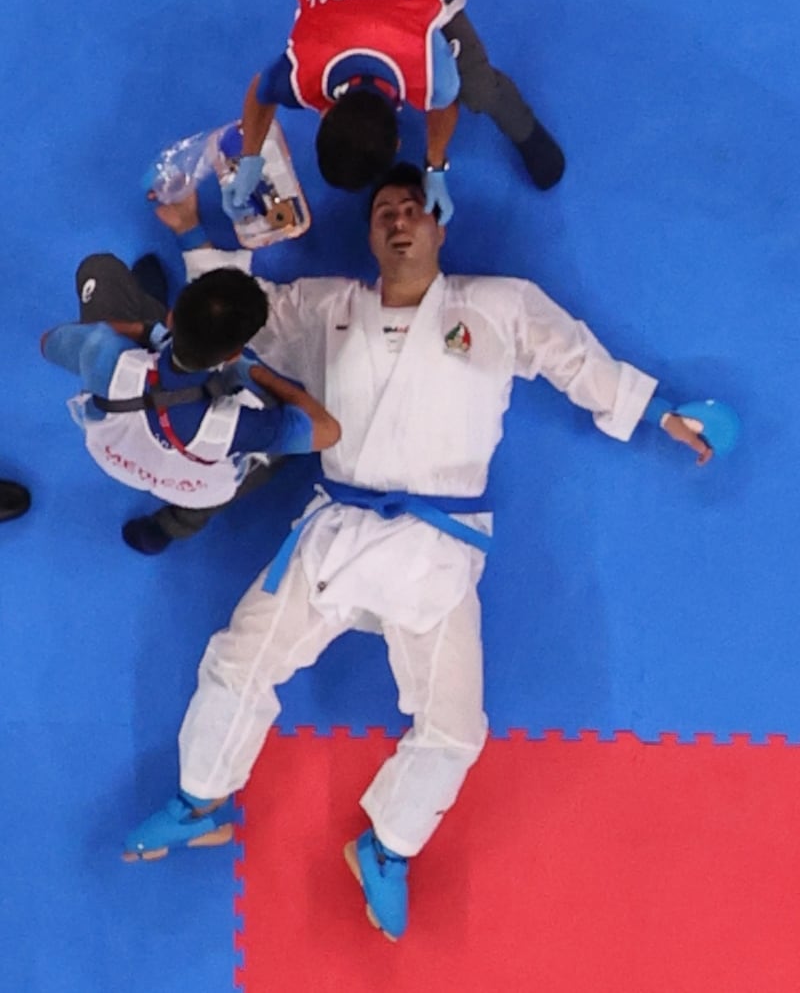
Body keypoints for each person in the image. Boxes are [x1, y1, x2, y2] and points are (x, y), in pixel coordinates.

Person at [123, 164, 737, 941]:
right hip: (336, 533)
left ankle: (384, 848)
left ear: (440, 225)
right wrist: (186, 228)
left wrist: (660, 413)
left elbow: (575, 360)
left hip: (437, 548)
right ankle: (200, 801)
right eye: (384, 211)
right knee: (237, 662)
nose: (400, 219)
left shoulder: (499, 304)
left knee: (454, 730)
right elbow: (240, 314)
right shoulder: (326, 307)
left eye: (413, 208)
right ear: (370, 234)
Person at [223, 0, 565, 228]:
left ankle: (526, 128)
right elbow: (261, 90)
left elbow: (443, 104)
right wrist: (250, 157)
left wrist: (435, 166)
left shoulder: (433, 74)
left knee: (478, 90)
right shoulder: (298, 74)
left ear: (400, 142)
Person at [41, 254, 340, 554]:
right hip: (192, 486)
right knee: (270, 453)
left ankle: (145, 304)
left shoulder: (106, 351)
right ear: (235, 353)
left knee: (99, 269)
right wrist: (253, 372)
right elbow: (327, 431)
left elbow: (48, 342)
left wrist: (143, 332)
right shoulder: (239, 427)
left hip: (113, 456)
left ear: (172, 318)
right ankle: (170, 526)